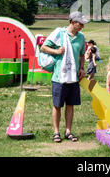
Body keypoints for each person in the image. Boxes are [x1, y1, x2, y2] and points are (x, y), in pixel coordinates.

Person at [40, 11, 88, 143]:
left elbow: (82, 55)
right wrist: (57, 51)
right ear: (72, 22)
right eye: (80, 23)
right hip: (59, 77)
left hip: (73, 77)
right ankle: (56, 132)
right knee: (57, 105)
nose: (82, 26)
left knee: (70, 105)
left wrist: (82, 68)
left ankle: (68, 131)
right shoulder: (59, 33)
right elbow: (43, 48)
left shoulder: (81, 37)